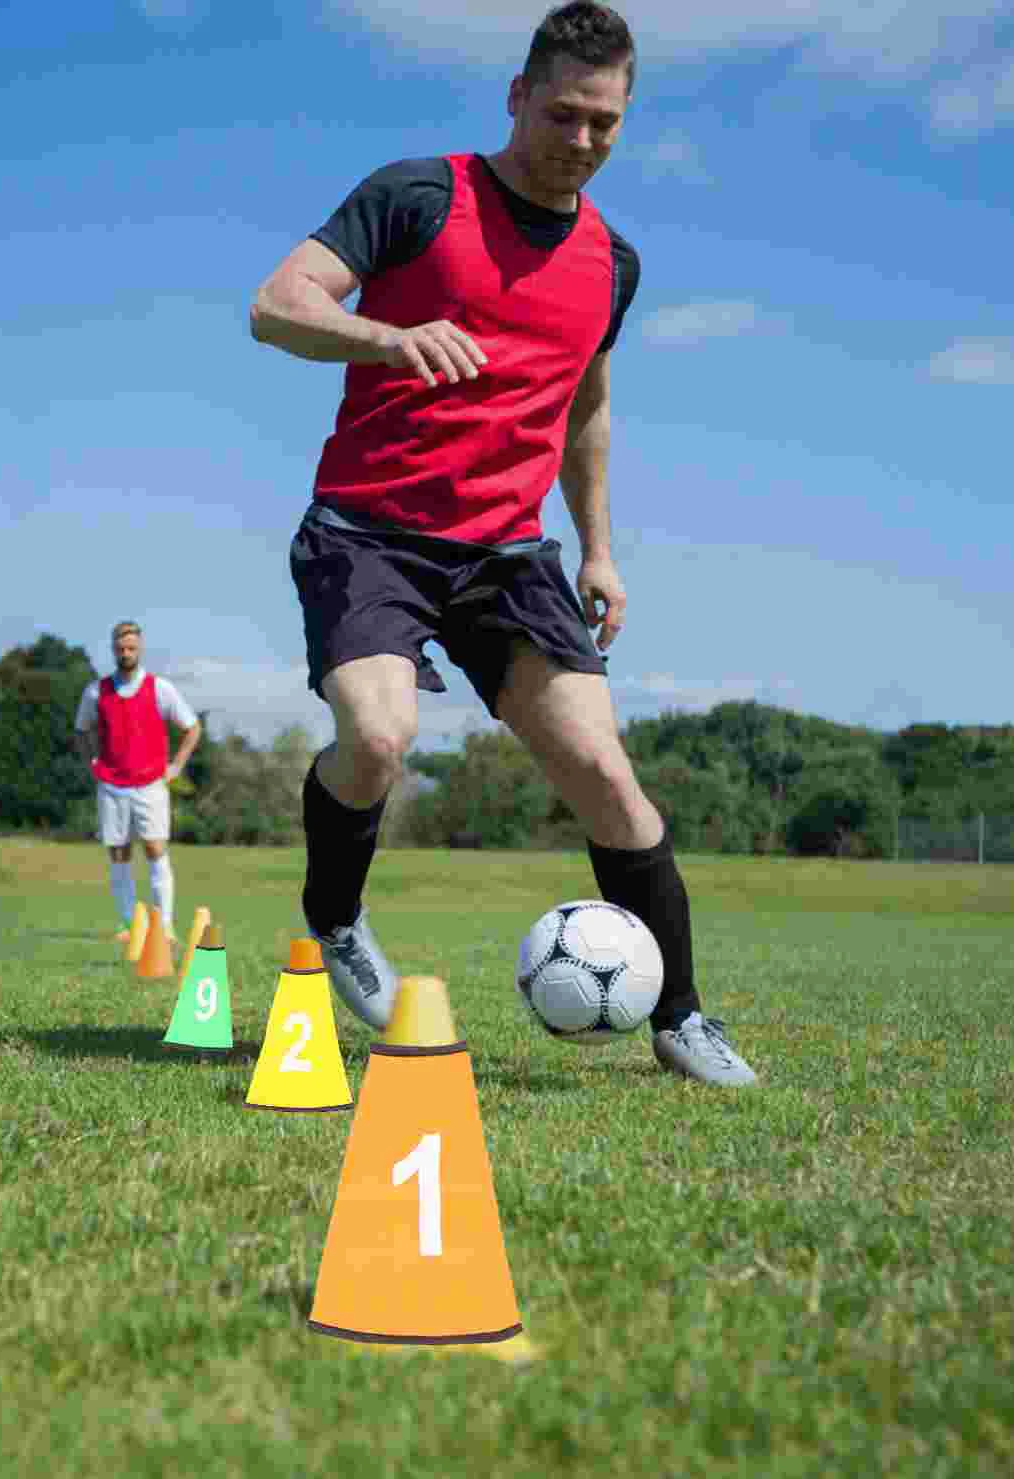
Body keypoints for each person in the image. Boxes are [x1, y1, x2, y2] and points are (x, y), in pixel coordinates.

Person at [248, 1, 757, 1084]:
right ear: (518, 96)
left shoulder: (610, 262)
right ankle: (335, 916)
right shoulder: (416, 196)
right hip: (367, 531)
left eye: (606, 124)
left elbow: (587, 407)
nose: (581, 141)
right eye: (565, 114)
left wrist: (600, 549)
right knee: (378, 737)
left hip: (509, 556)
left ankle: (681, 1018)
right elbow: (276, 304)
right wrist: (386, 335)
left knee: (603, 773)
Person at [74, 621, 201, 945]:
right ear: (113, 650)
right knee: (118, 853)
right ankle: (130, 924)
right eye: (121, 648)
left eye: (131, 648)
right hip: (112, 785)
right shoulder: (95, 691)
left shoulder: (160, 689)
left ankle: (166, 925)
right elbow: (81, 730)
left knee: (155, 849)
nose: (126, 653)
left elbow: (192, 728)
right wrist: (92, 762)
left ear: (140, 649)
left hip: (150, 784)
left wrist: (176, 766)